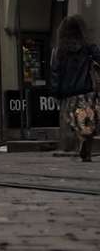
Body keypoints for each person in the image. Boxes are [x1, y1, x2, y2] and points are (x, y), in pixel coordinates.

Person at [50, 14, 100, 162]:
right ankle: (86, 148)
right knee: (89, 123)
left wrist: (56, 94)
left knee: (76, 123)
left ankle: (81, 141)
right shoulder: (89, 48)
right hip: (87, 92)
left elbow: (55, 75)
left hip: (69, 96)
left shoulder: (58, 51)